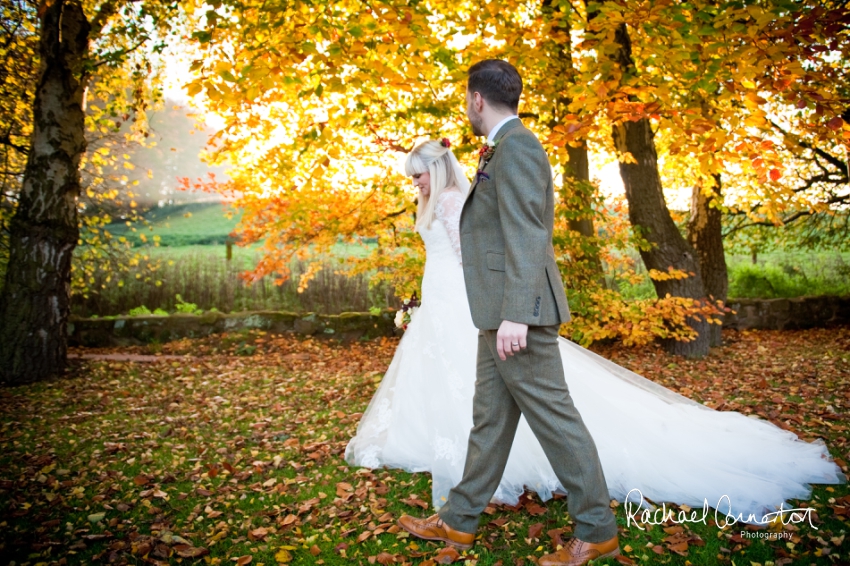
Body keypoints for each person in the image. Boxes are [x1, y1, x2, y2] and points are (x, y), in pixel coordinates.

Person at [345, 61, 846, 566]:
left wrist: (518, 315)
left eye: (466, 99)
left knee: (557, 423)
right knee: (489, 422)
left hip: (518, 316)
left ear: (478, 99)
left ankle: (597, 531)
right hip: (495, 314)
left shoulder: (518, 147)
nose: (466, 108)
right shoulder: (504, 146)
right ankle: (458, 520)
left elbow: (527, 235)